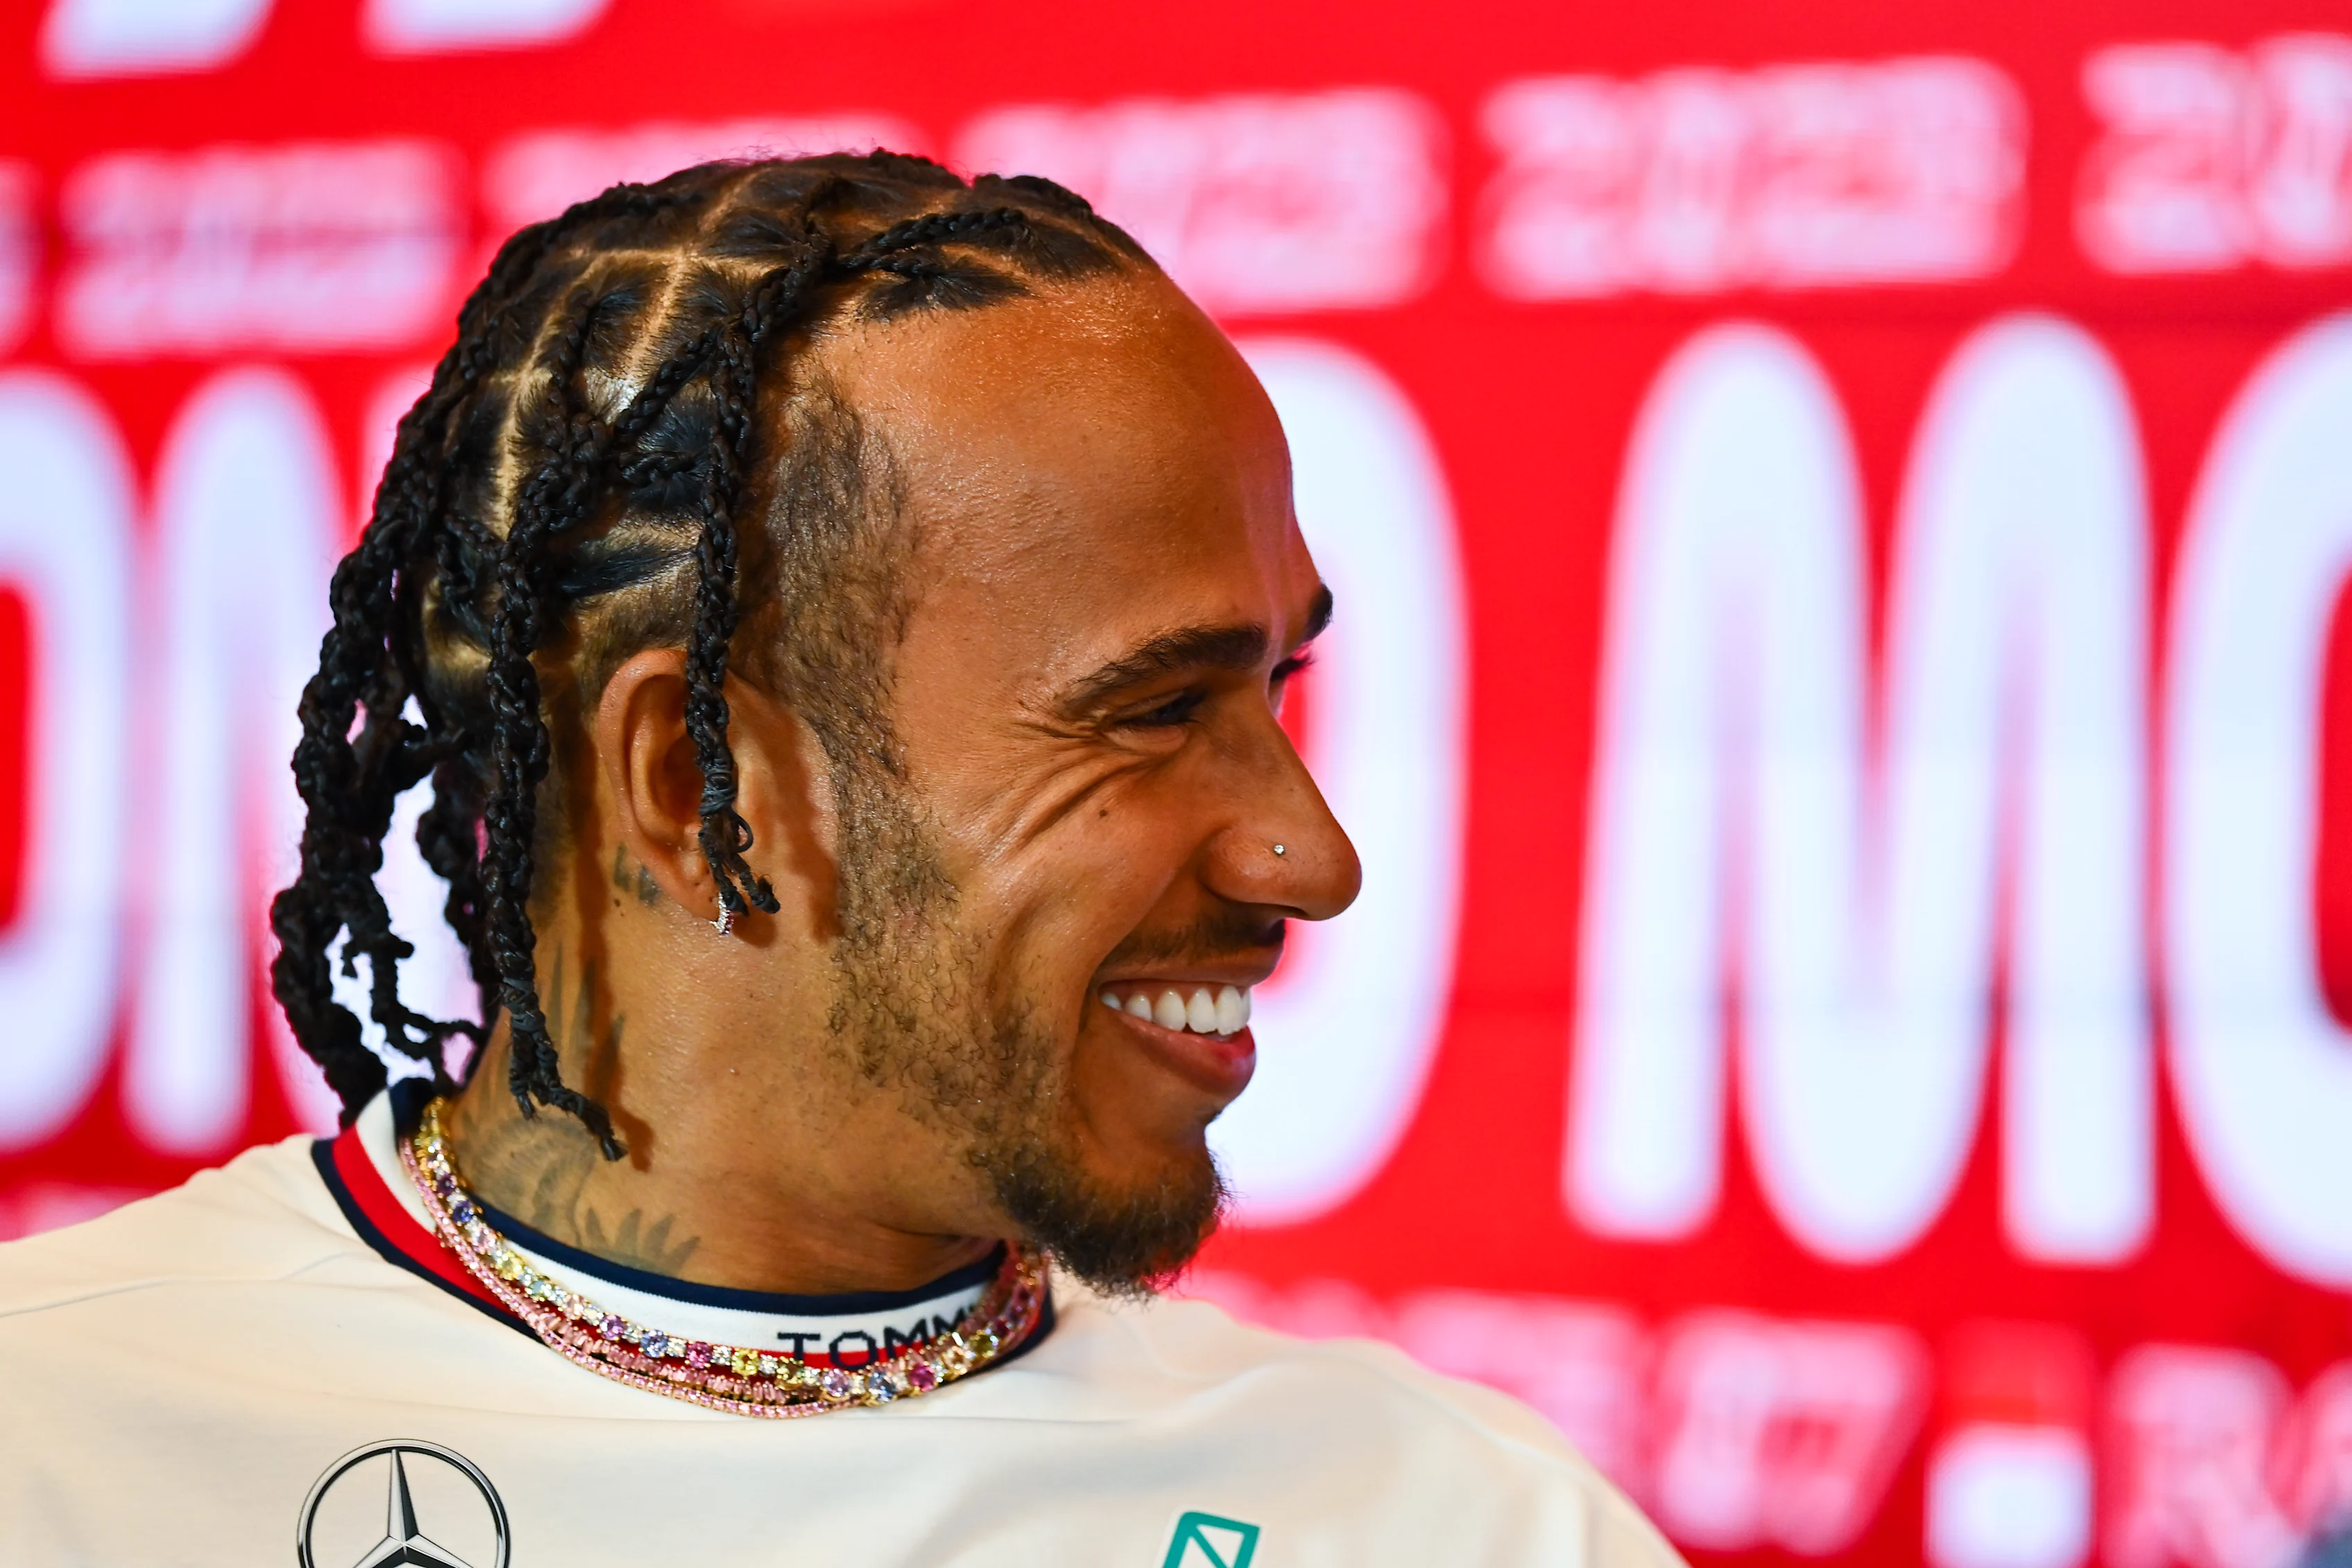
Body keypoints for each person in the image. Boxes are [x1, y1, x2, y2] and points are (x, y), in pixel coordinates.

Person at [0, 152, 1679, 1567]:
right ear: (689, 775)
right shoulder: (62, 1447)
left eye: (1276, 686)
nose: (1310, 859)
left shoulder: (1463, 1524)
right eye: (1153, 712)